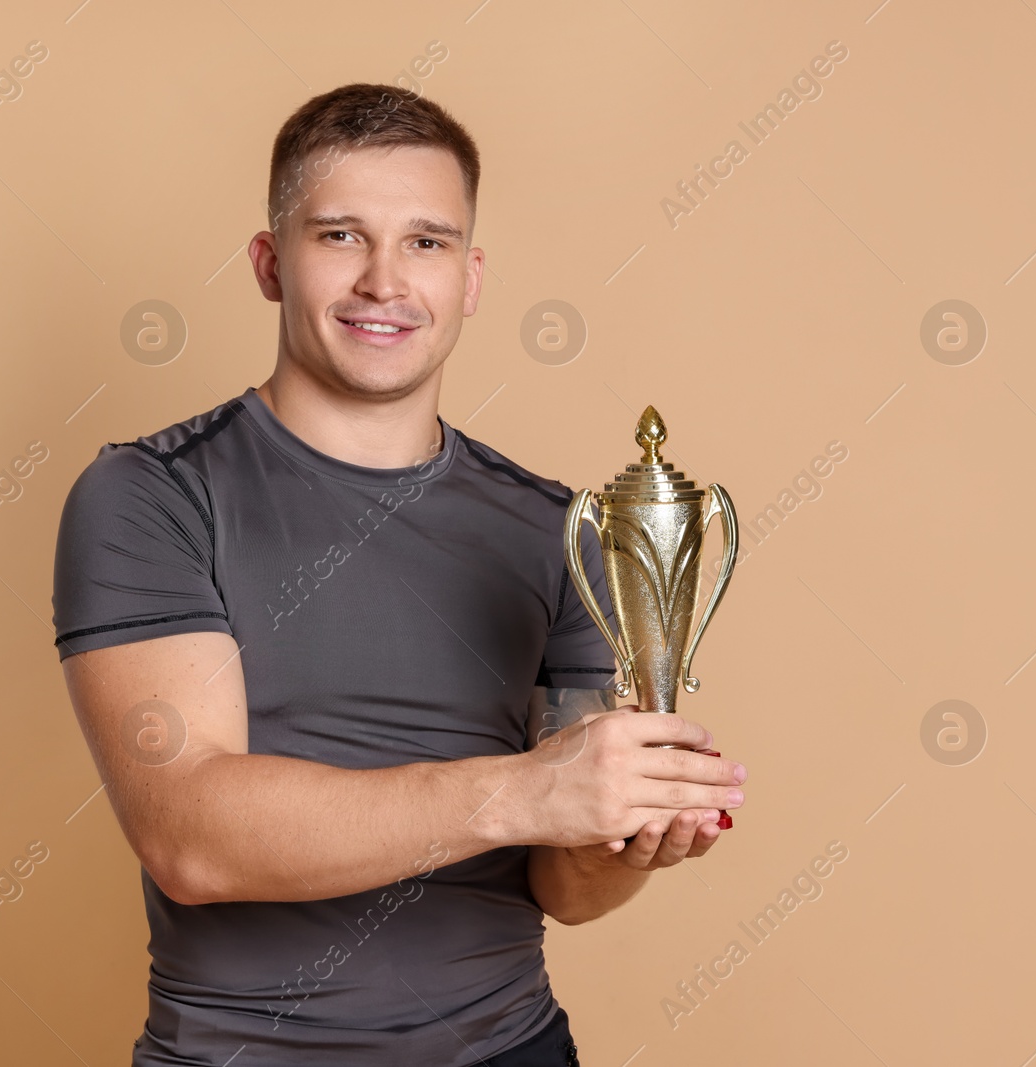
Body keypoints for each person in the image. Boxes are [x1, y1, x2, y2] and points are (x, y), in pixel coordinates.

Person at [50, 82, 747, 1067]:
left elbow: (565, 887)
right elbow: (189, 834)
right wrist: (530, 792)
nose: (385, 279)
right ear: (268, 262)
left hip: (511, 1048)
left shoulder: (561, 526)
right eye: (340, 235)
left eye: (425, 241)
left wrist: (623, 828)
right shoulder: (150, 493)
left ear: (469, 276)